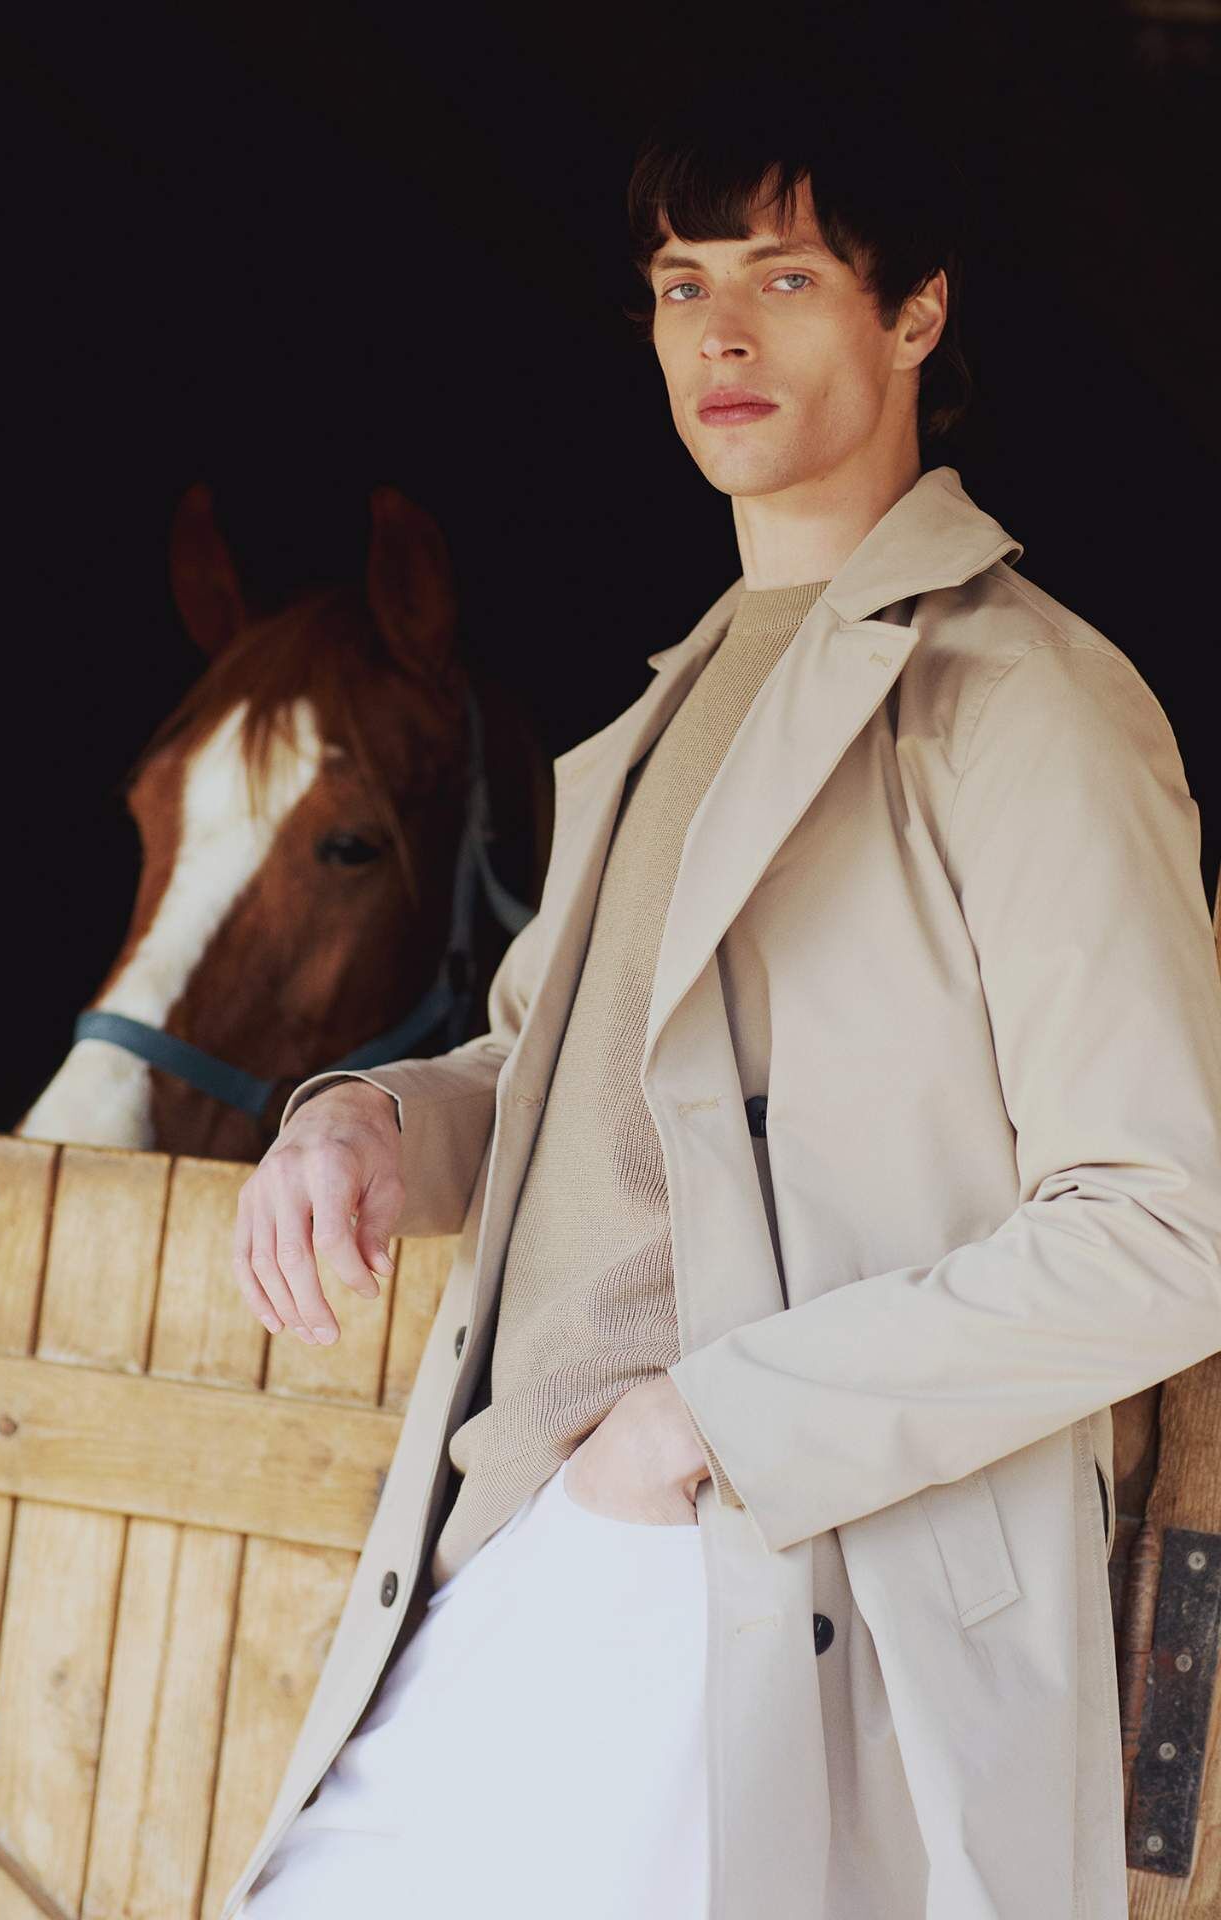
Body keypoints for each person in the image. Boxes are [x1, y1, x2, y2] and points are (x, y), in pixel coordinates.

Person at [223, 94, 1221, 1920]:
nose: (722, 336)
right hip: (527, 1534)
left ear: (916, 313)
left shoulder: (1027, 704)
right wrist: (367, 1119)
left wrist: (706, 1429)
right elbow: (557, 1072)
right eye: (684, 285)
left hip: (751, 1570)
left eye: (786, 276)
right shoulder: (675, 699)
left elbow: (1170, 1230)